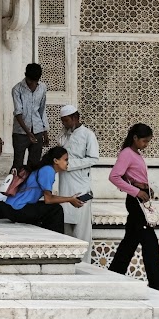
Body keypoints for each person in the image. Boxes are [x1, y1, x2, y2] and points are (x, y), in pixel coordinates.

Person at [108, 123, 159, 292]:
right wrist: (136, 192)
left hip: (140, 199)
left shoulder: (135, 154)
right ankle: (157, 286)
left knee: (130, 242)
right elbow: (114, 177)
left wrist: (146, 189)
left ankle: (113, 276)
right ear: (135, 138)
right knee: (150, 243)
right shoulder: (127, 154)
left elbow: (133, 176)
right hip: (135, 201)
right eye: (144, 141)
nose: (146, 145)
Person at [5, 145, 86, 231]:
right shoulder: (48, 171)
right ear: (56, 160)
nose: (67, 163)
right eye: (65, 160)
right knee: (56, 209)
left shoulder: (46, 169)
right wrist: (70, 199)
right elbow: (49, 199)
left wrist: (70, 199)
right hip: (17, 208)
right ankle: (56, 239)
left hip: (14, 207)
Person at [56, 104, 100, 262]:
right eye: (63, 121)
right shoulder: (66, 133)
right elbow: (60, 144)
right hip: (65, 184)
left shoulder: (88, 134)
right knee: (65, 223)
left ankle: (84, 263)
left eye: (66, 121)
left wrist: (71, 165)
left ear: (75, 118)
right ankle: (67, 260)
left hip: (81, 185)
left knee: (81, 228)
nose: (64, 124)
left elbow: (93, 158)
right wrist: (66, 131)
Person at [10, 63, 49, 175]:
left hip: (37, 130)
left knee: (34, 164)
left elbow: (42, 110)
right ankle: (12, 190)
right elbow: (18, 113)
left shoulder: (42, 87)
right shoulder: (17, 89)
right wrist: (28, 133)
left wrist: (45, 132)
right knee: (17, 164)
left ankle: (30, 190)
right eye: (30, 80)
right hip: (20, 133)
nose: (32, 84)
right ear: (25, 76)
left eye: (35, 81)